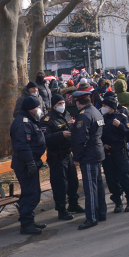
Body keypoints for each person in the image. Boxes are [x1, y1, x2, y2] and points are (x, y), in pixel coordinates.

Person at [41, 94, 84, 220]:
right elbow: (45, 139)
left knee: (73, 182)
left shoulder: (66, 114)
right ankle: (61, 209)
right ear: (54, 105)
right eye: (59, 103)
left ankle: (73, 204)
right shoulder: (47, 119)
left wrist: (72, 126)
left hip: (68, 154)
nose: (62, 105)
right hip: (56, 156)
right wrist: (60, 135)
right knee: (60, 184)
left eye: (63, 103)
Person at [10, 96, 47, 235]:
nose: (39, 110)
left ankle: (30, 220)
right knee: (30, 194)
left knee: (34, 193)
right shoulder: (23, 123)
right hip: (25, 164)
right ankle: (26, 224)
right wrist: (30, 162)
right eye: (37, 107)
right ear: (30, 109)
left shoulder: (30, 121)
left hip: (31, 162)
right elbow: (22, 146)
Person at [70, 90, 107, 229]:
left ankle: (91, 217)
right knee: (98, 185)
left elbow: (81, 139)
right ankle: (101, 212)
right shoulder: (96, 111)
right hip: (97, 152)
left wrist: (77, 157)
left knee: (90, 187)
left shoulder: (83, 116)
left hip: (88, 154)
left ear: (78, 102)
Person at [101, 97, 129, 213]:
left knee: (124, 177)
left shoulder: (121, 117)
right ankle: (118, 201)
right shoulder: (101, 119)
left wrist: (120, 126)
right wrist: (102, 144)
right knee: (111, 179)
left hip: (120, 151)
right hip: (107, 153)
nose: (103, 108)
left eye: (105, 106)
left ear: (111, 107)